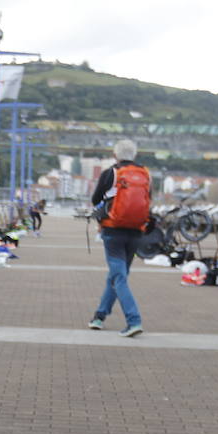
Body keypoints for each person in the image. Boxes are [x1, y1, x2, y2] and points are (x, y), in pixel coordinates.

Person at [88, 138, 150, 337]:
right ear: (135, 155)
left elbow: (95, 199)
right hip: (136, 231)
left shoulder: (111, 173)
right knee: (117, 276)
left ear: (115, 155)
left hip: (113, 230)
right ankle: (99, 316)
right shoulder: (145, 174)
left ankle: (134, 321)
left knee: (118, 277)